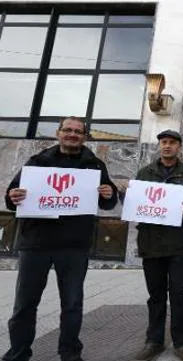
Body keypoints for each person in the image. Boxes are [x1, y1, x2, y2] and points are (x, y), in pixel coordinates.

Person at [3, 116, 118, 361]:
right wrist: (13, 196)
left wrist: (109, 193)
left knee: (72, 304)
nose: (73, 134)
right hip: (36, 243)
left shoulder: (94, 165)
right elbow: (13, 196)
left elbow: (107, 202)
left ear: (85, 136)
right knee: (24, 305)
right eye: (68, 130)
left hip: (74, 245)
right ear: (58, 133)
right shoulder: (38, 162)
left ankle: (70, 353)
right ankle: (18, 353)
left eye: (78, 131)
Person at [131, 130, 183, 361]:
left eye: (172, 143)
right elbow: (135, 203)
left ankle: (182, 343)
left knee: (180, 293)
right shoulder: (144, 173)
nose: (167, 146)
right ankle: (154, 341)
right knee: (156, 295)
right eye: (164, 143)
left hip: (178, 243)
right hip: (151, 242)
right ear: (159, 146)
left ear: (179, 146)